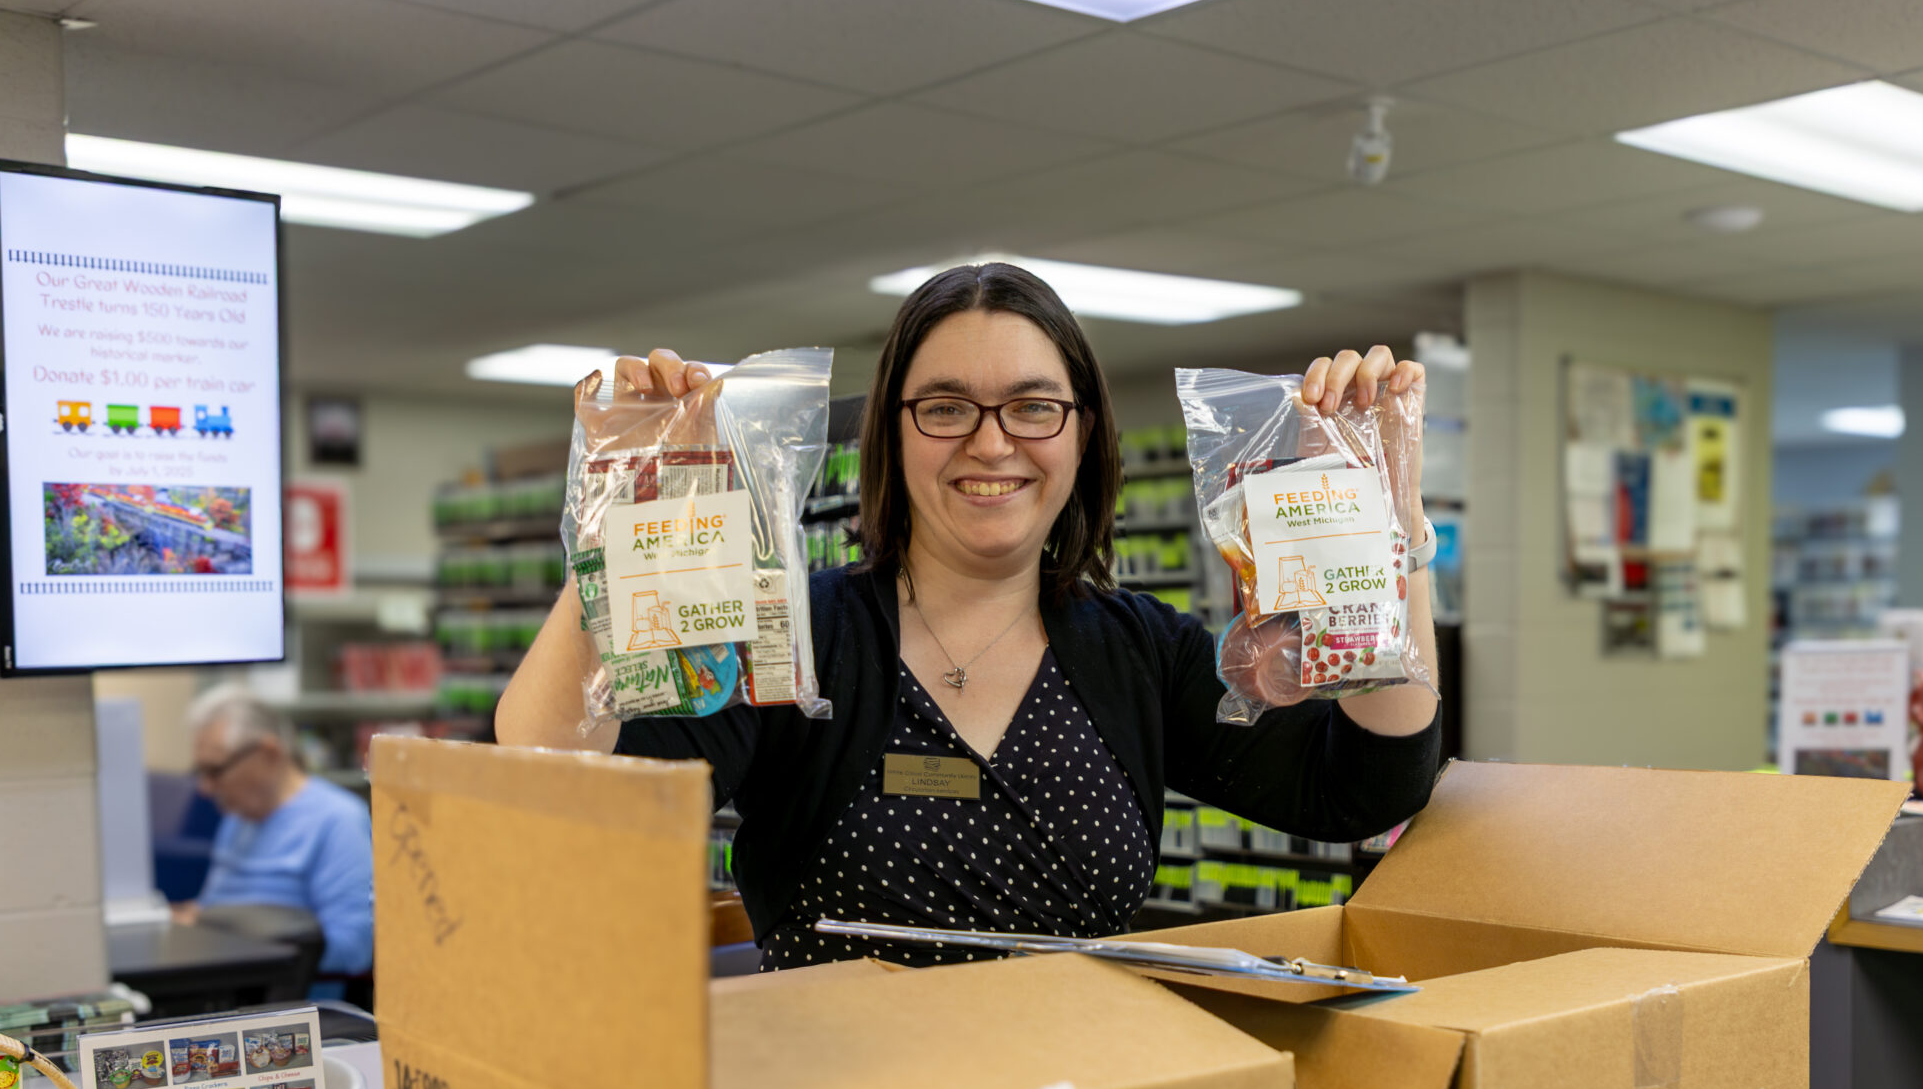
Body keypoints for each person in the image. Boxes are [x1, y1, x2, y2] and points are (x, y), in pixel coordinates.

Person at [496, 261, 1443, 968]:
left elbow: (1364, 787)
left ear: (1081, 435)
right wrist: (627, 520)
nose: (992, 443)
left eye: (1034, 406)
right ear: (892, 435)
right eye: (946, 407)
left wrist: (1389, 540)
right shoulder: (801, 636)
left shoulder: (1139, 653)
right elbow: (552, 775)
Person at [177, 685, 374, 981]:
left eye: (215, 771)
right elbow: (209, 909)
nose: (205, 788)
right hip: (224, 984)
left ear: (268, 753)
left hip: (285, 1002)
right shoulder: (238, 819)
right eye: (200, 772)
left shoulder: (338, 821)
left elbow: (353, 949)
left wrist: (236, 942)